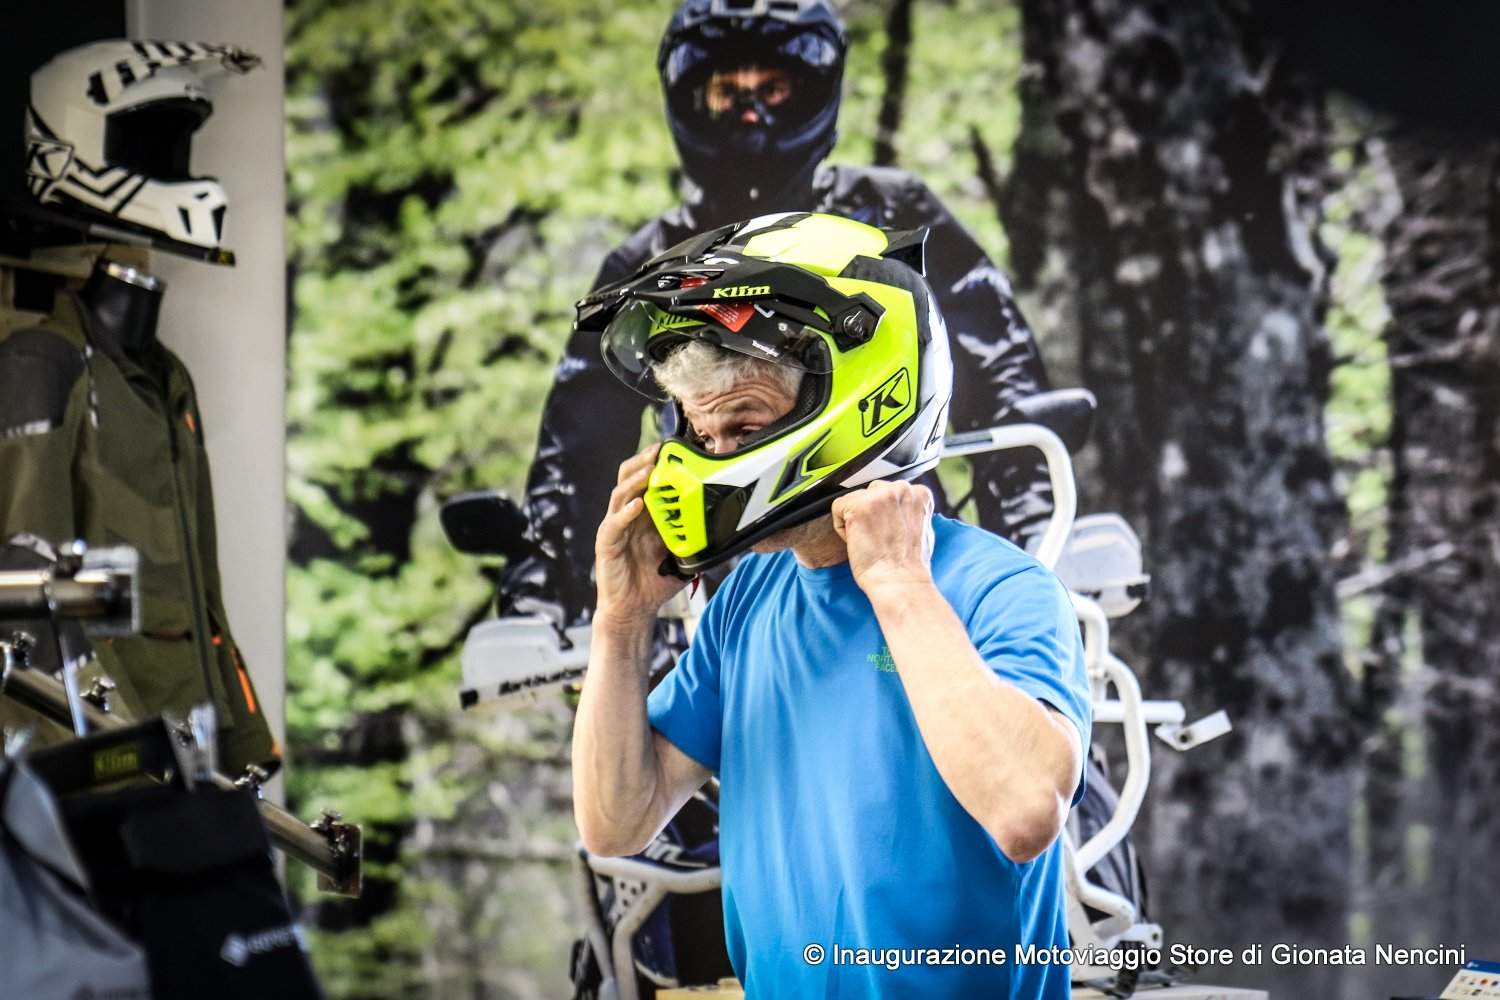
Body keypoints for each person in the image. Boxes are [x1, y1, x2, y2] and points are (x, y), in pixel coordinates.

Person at [571, 213, 1090, 998]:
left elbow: (1025, 812)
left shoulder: (998, 587)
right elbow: (617, 820)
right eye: (701, 434)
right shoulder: (748, 600)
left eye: (743, 425)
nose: (710, 461)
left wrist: (900, 584)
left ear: (858, 398)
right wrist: (621, 619)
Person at [511, 0, 1052, 624]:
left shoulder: (892, 212)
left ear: (813, 93)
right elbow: (578, 448)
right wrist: (547, 588)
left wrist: (1033, 537)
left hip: (901, 548)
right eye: (727, 92)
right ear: (691, 100)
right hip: (711, 588)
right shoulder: (650, 264)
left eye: (773, 90)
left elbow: (1000, 371)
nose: (751, 114)